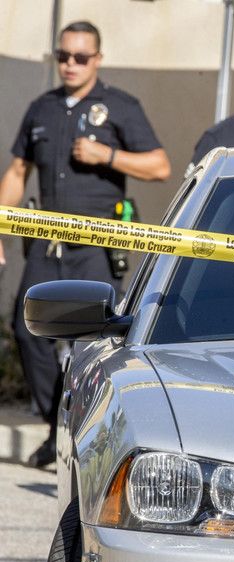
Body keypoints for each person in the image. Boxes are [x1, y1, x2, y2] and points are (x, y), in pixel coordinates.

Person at [0, 20, 170, 467]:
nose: (70, 64)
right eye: (63, 56)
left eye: (80, 57)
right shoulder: (42, 108)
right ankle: (54, 426)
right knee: (27, 331)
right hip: (47, 244)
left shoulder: (120, 107)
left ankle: (84, 435)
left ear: (98, 59)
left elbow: (159, 166)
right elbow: (17, 172)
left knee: (95, 342)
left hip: (97, 247)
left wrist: (107, 155)